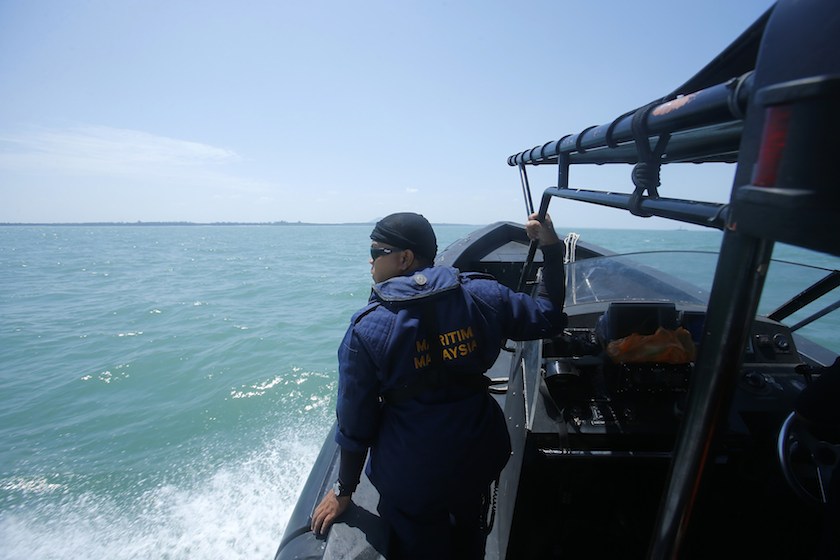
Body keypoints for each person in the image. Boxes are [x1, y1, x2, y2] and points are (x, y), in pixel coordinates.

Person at [311, 211, 567, 559]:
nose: (370, 260)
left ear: (405, 258)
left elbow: (356, 422)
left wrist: (344, 489)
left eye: (376, 251)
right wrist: (551, 249)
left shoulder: (367, 329)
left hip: (411, 478)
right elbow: (547, 316)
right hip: (478, 455)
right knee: (470, 535)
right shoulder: (484, 295)